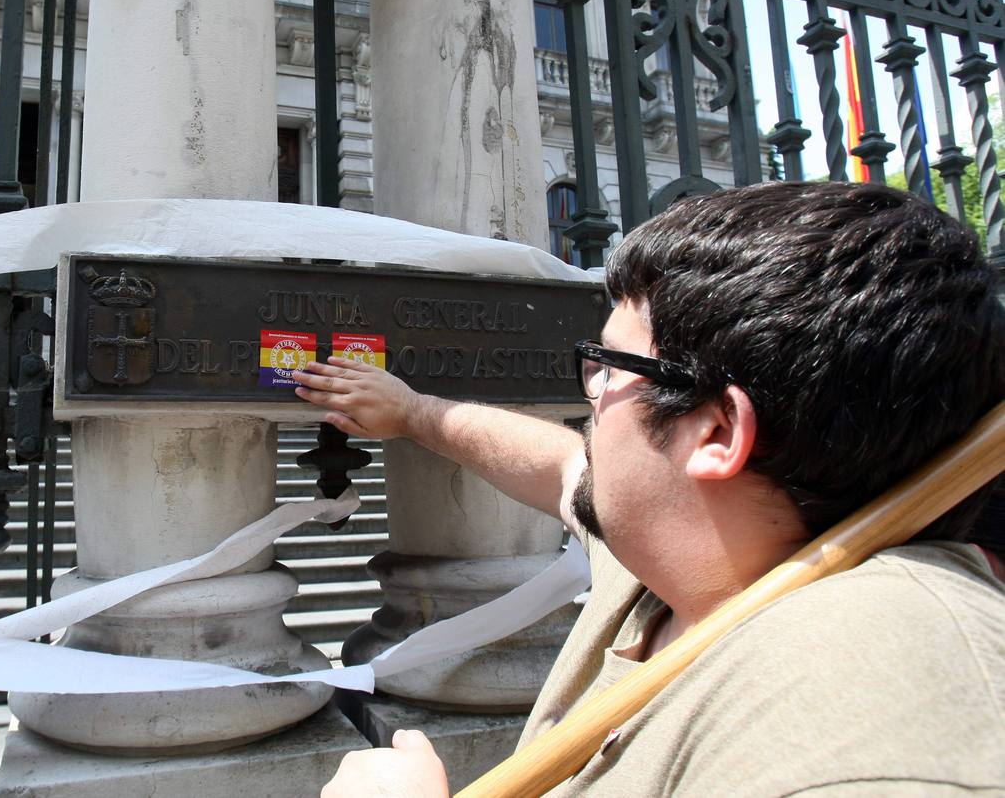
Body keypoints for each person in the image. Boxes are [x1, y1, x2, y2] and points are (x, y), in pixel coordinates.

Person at [293, 182, 1005, 796]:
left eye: (610, 367)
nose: (592, 399)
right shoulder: (687, 549)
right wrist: (414, 412)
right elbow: (563, 465)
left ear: (715, 433)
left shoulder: (874, 706)